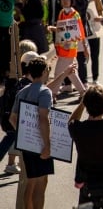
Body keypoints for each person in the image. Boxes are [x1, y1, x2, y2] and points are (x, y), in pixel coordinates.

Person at [9, 56, 55, 209]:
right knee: (40, 184)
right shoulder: (45, 92)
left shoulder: (22, 92)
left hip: (27, 145)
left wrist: (24, 135)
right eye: (48, 70)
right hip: (40, 144)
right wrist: (47, 145)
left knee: (31, 183)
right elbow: (43, 118)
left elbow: (13, 118)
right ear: (43, 72)